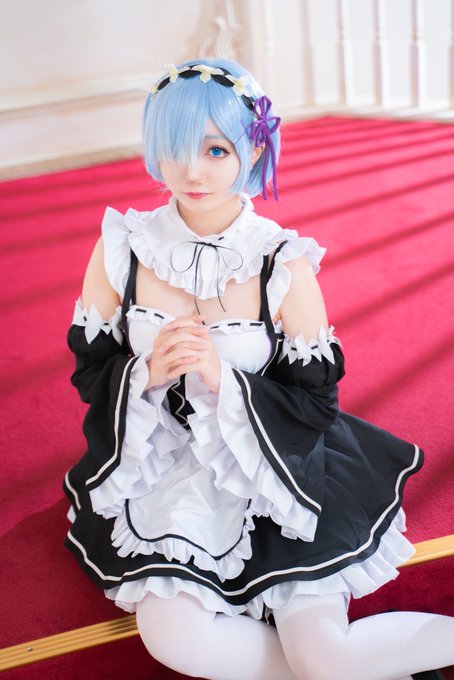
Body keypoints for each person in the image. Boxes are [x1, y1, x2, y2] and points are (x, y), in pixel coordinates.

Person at [64, 58, 454, 680]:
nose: (193, 171)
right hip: (162, 471)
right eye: (175, 148)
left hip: (276, 466)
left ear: (252, 148)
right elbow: (92, 372)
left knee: (325, 657)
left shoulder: (280, 262)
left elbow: (316, 403)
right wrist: (147, 373)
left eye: (216, 150)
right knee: (178, 643)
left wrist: (226, 382)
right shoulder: (122, 248)